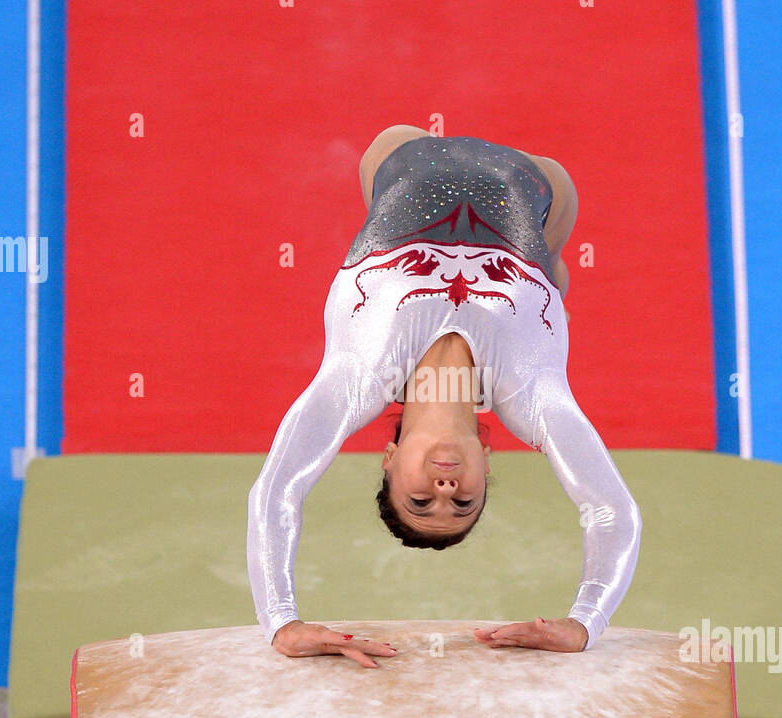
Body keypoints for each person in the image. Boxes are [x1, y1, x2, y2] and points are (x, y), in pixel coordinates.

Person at [247, 125, 641, 667]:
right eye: (463, 502)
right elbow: (613, 510)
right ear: (486, 461)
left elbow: (276, 492)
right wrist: (583, 624)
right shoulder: (534, 397)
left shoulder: (356, 378)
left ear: (388, 460)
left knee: (393, 147)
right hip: (534, 185)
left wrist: (282, 622)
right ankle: (553, 288)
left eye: (421, 500)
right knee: (553, 256)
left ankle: (552, 290)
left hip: (403, 160)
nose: (445, 488)